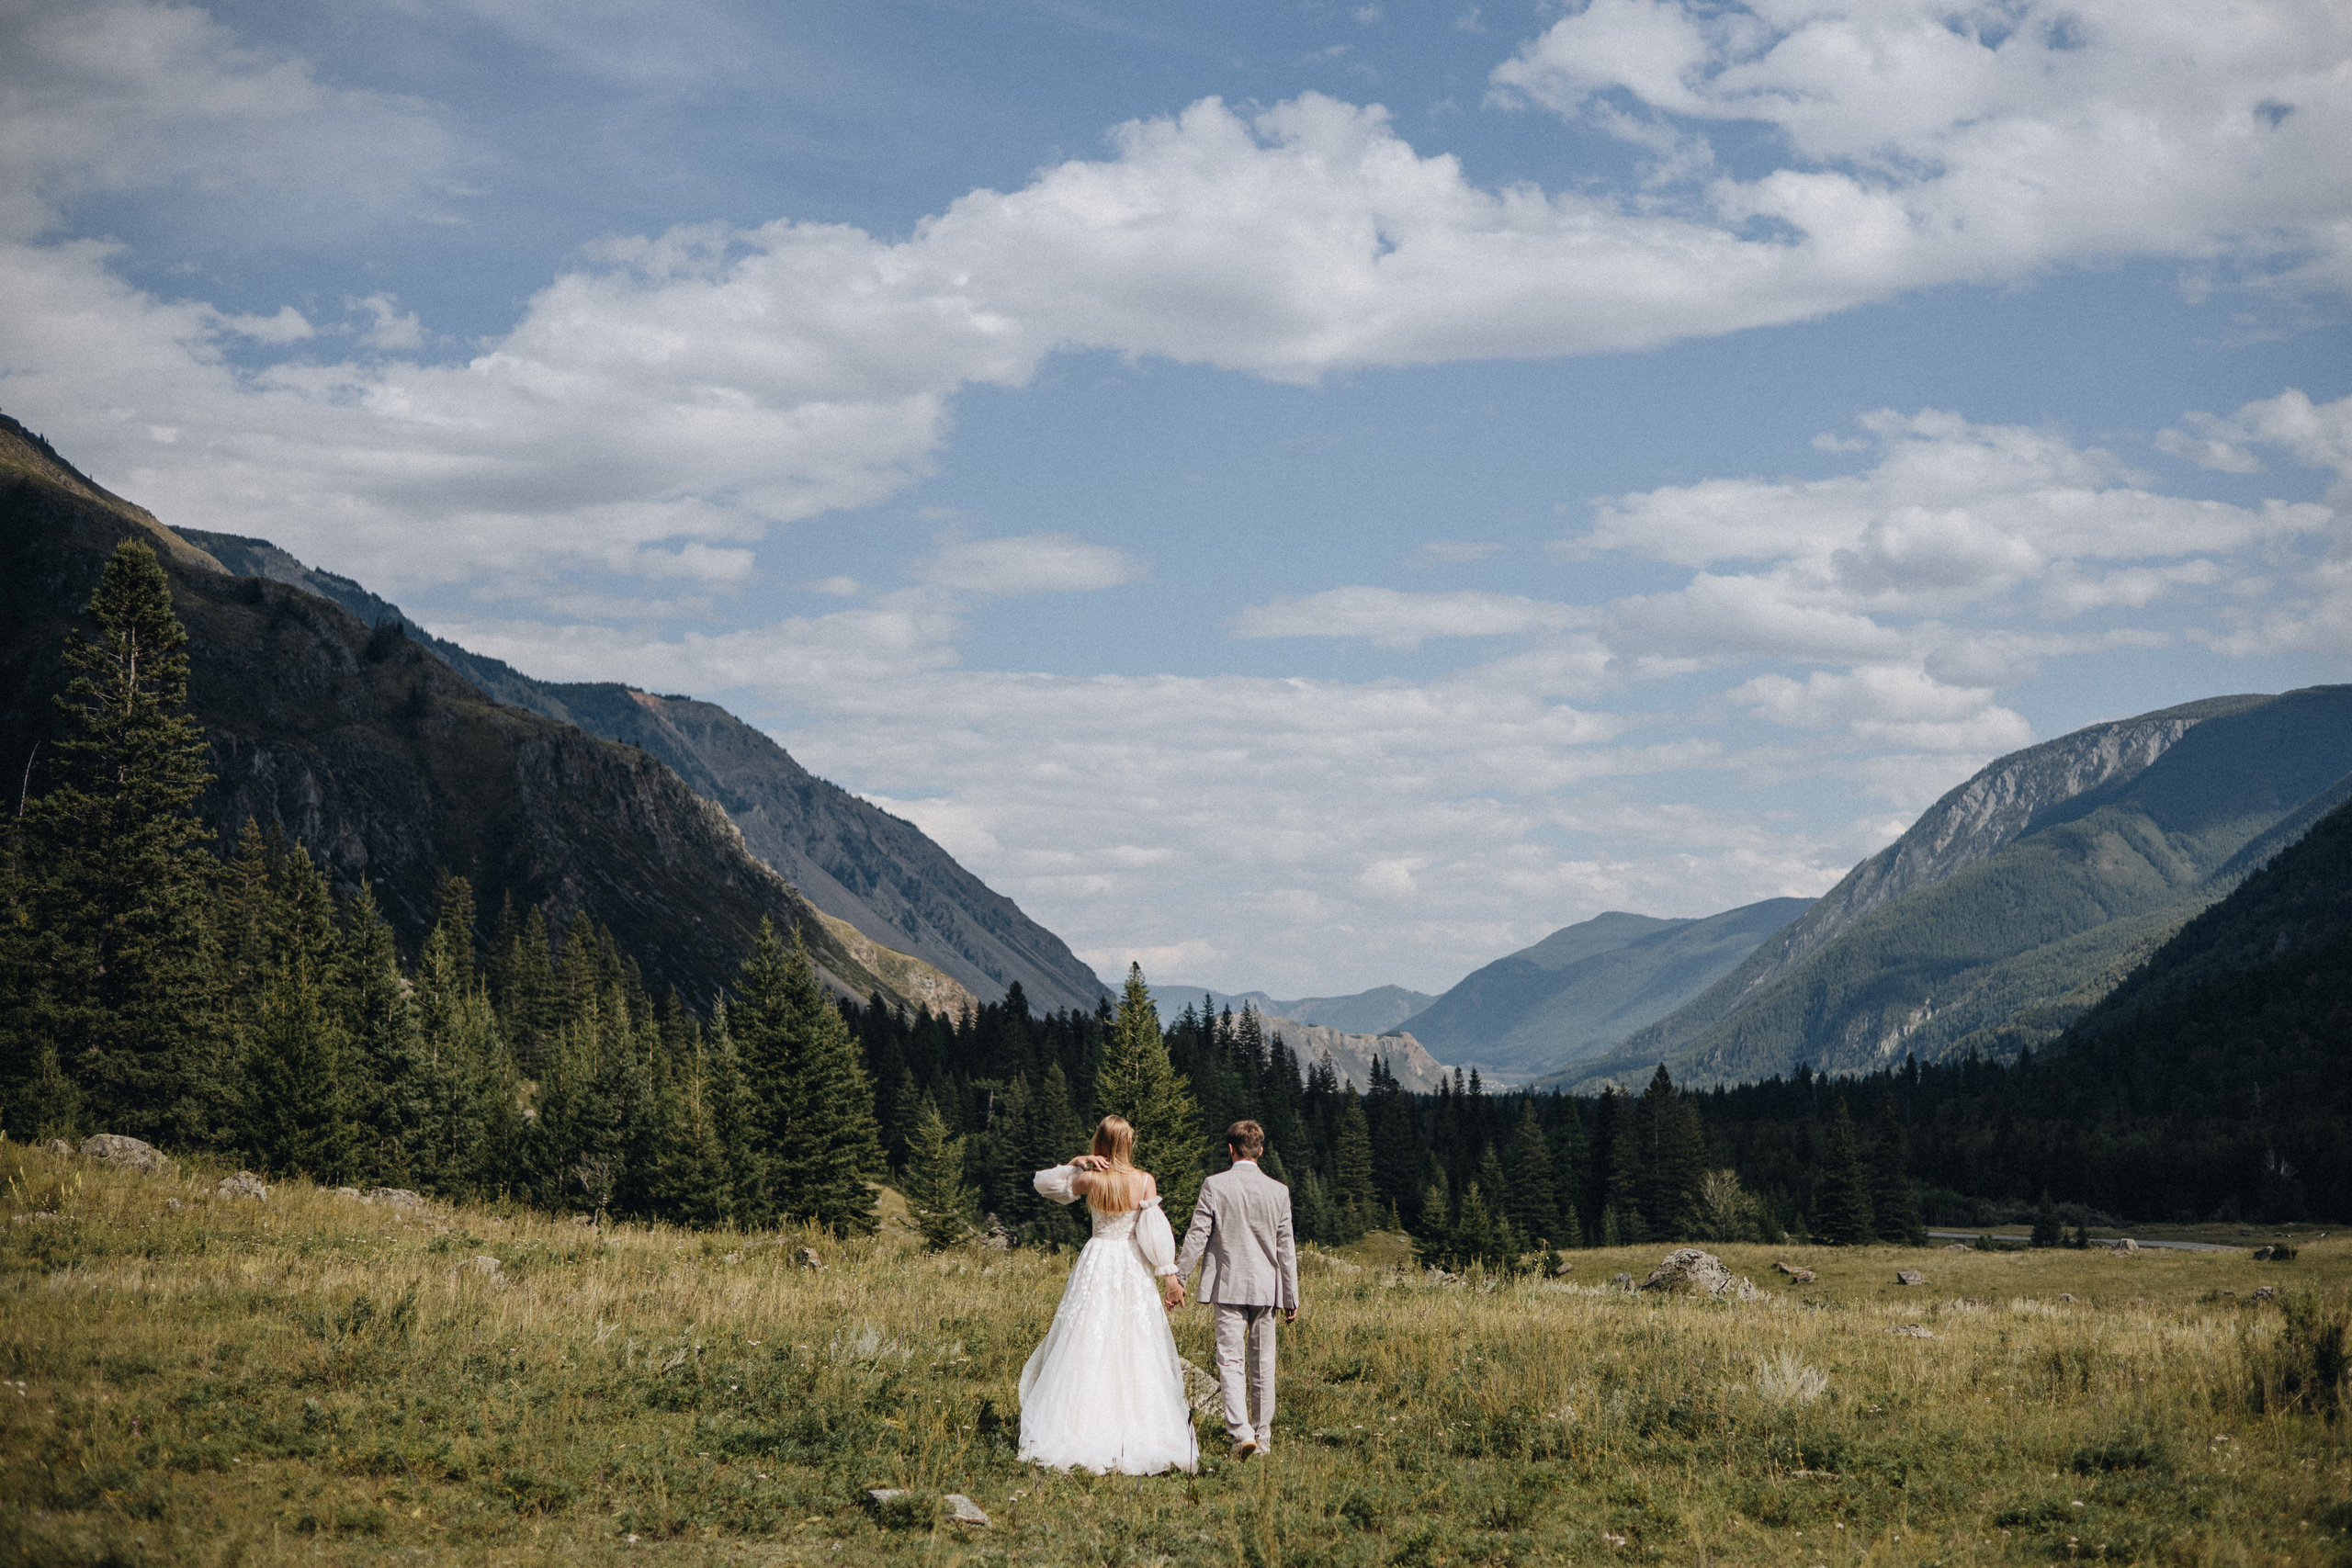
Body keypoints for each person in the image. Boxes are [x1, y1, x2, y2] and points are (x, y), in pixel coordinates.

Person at [1017, 1114, 1197, 1474]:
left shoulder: (1088, 1179)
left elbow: (1043, 1184)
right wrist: (1169, 1276)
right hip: (1131, 1263)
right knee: (1134, 1341)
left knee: (1087, 1337)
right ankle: (1137, 1426)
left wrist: (1074, 1163)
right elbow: (1153, 1233)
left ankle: (1081, 1422)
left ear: (1100, 1143)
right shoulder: (1144, 1181)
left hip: (1098, 1258)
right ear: (1128, 1144)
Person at [1170, 1119, 1300, 1461]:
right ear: (1260, 1150)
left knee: (1231, 1361)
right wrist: (1291, 1296)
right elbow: (1286, 1247)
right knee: (1263, 1363)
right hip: (1266, 1288)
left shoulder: (1215, 1185)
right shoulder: (1279, 1191)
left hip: (1228, 1284)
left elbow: (1197, 1234)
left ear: (1230, 1150)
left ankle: (1240, 1433)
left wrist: (1179, 1277)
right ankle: (1264, 1437)